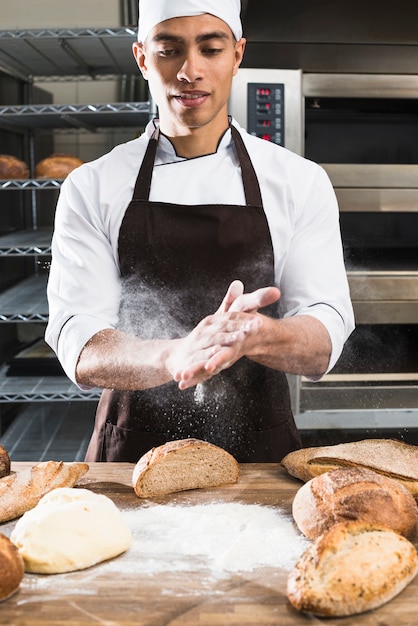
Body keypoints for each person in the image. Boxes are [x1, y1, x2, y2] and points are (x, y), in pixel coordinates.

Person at [45, 0, 355, 463]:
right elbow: (82, 344)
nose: (190, 71)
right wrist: (174, 355)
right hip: (131, 459)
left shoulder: (298, 181)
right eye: (169, 51)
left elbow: (323, 335)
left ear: (237, 55)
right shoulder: (92, 186)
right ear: (142, 59)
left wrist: (254, 335)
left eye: (210, 49)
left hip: (259, 459)